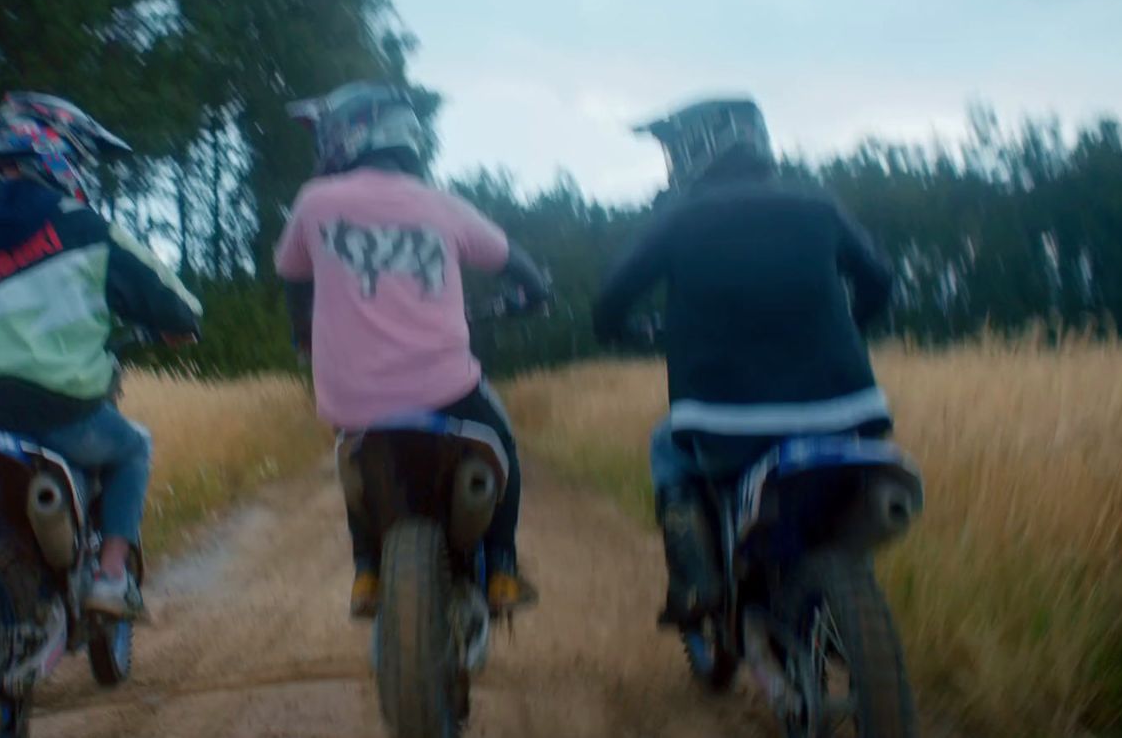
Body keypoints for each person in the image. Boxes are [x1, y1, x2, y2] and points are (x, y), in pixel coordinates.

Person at [0, 92, 203, 618]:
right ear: (63, 153)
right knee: (132, 448)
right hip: (60, 412)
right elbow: (181, 309)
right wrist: (176, 329)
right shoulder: (87, 228)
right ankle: (113, 577)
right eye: (85, 159)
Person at [592, 97, 894, 627]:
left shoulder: (680, 217)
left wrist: (625, 334)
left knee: (667, 448)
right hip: (851, 413)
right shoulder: (819, 205)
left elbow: (611, 300)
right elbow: (880, 282)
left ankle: (697, 583)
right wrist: (847, 327)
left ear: (694, 151)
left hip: (725, 423)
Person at [273, 81, 551, 617]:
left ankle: (367, 573)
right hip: (444, 389)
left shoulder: (314, 202)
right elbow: (513, 260)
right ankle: (503, 572)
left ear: (346, 137)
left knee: (361, 456)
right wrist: (537, 290)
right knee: (502, 443)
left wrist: (304, 336)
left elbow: (292, 276)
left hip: (350, 396)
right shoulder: (440, 205)